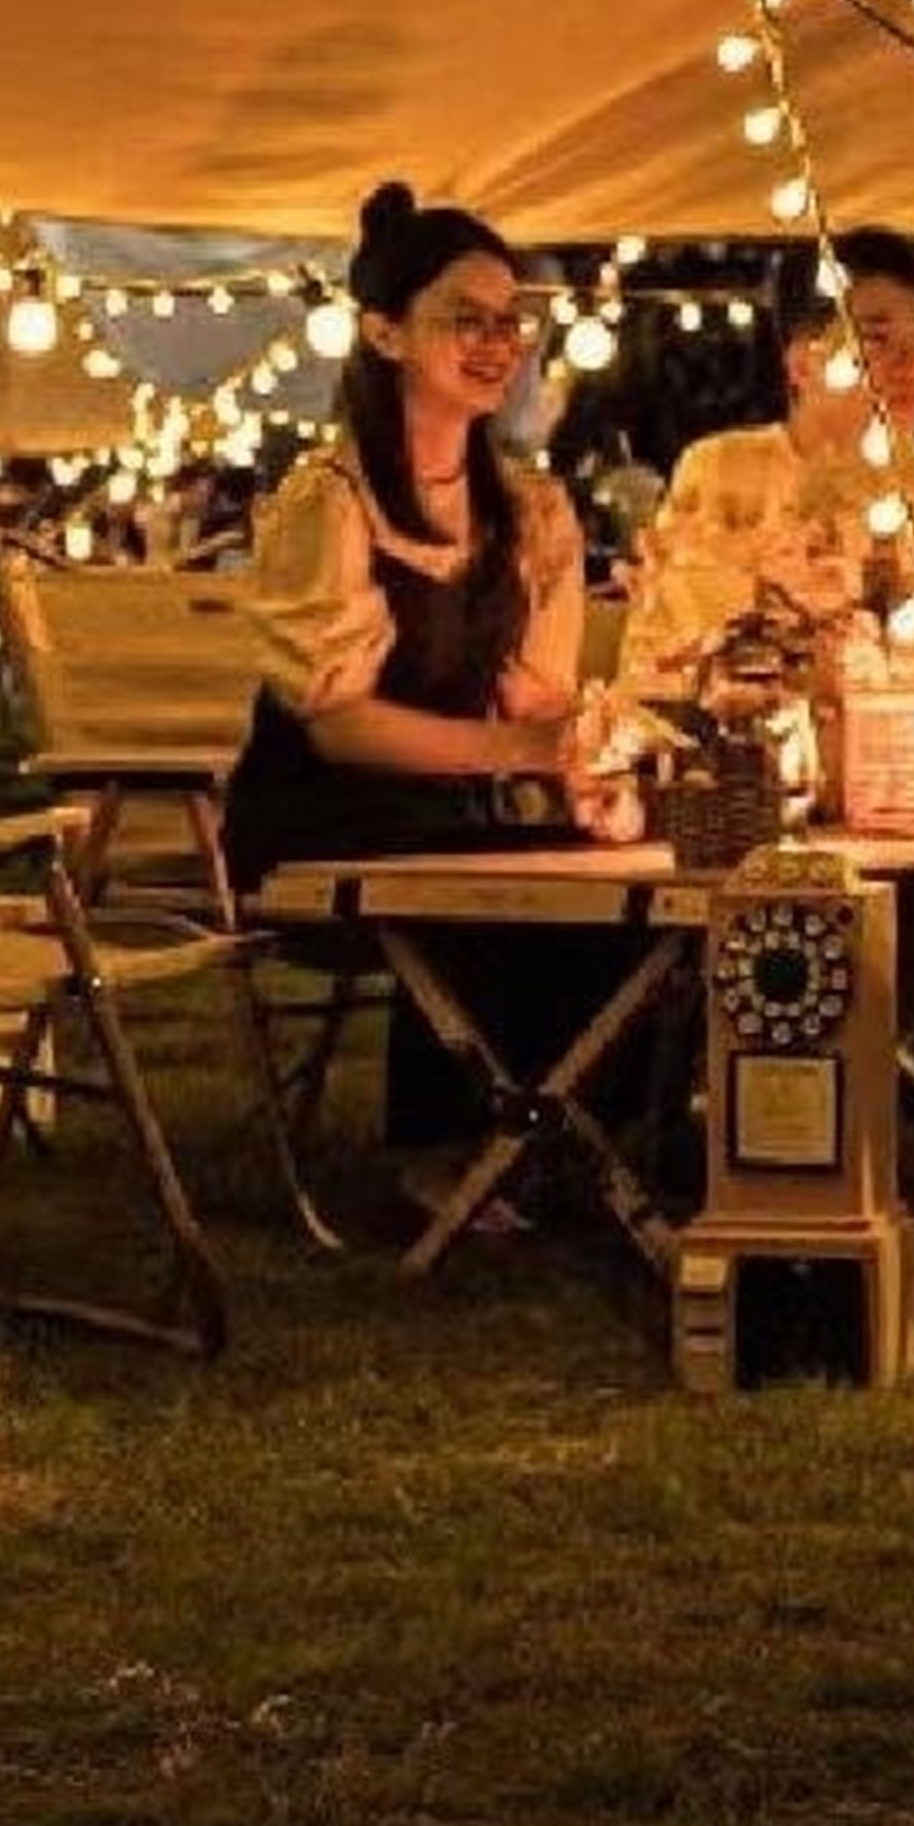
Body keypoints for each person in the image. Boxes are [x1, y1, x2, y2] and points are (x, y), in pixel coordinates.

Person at [224, 183, 597, 1161]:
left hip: (452, 810)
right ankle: (442, 1152)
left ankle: (595, 1139)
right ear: (385, 332)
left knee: (608, 888)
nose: (496, 344)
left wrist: (581, 765)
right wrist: (518, 748)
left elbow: (536, 700)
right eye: (466, 320)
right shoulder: (331, 502)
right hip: (319, 817)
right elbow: (340, 722)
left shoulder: (529, 510)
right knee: (482, 892)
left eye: (508, 321)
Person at [620, 234, 914, 685]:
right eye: (876, 338)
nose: (909, 362)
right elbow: (665, 634)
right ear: (801, 364)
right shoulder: (723, 466)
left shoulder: (910, 479)